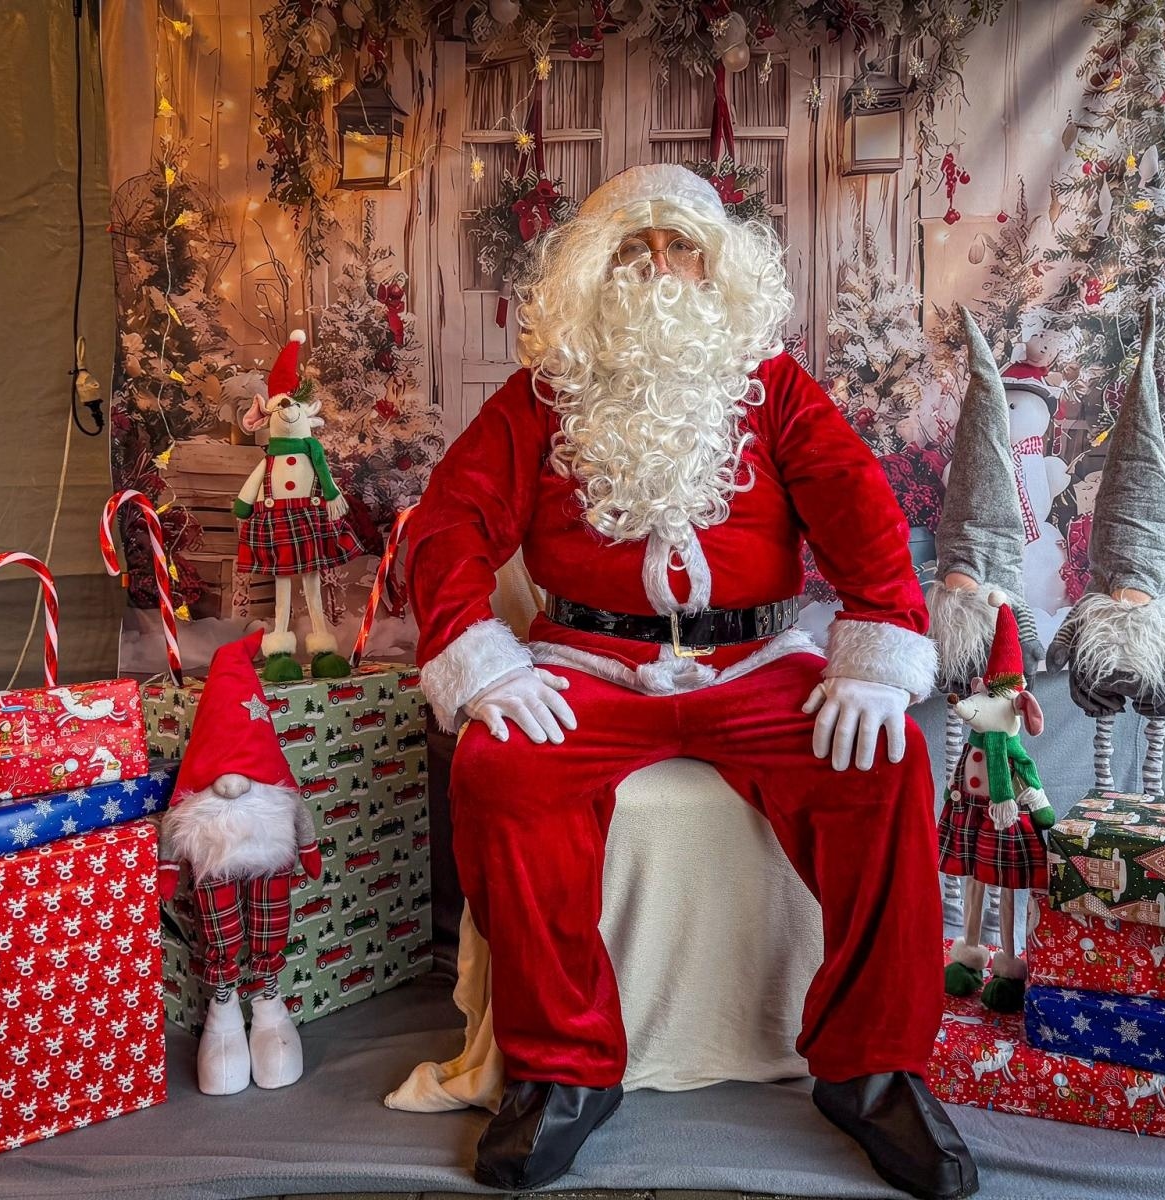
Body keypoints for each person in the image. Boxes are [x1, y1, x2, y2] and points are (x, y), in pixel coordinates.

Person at [403, 164, 976, 1200]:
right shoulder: (541, 396)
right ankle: (562, 1071)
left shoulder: (774, 388)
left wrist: (879, 644)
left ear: (721, 268)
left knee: (882, 763)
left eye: (682, 249)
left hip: (755, 663)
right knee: (500, 770)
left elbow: (862, 516)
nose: (660, 270)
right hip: (591, 663)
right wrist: (482, 658)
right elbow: (449, 526)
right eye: (634, 250)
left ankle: (872, 1067)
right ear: (594, 271)